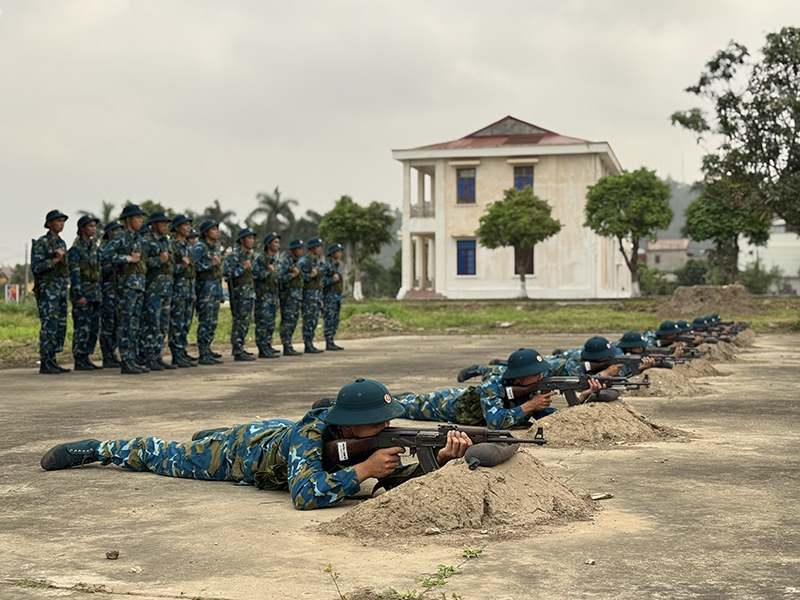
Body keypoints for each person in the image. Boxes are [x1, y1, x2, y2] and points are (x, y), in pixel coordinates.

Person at [39, 378, 473, 510]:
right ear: (350, 422)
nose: (384, 426)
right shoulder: (312, 436)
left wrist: (438, 459)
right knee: (168, 455)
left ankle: (212, 433)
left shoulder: (366, 439)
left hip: (275, 432)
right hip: (243, 453)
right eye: (375, 422)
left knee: (245, 431)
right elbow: (304, 495)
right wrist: (362, 471)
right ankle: (99, 449)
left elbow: (396, 478)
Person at [390, 349, 571, 429]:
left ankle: (408, 397)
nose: (541, 377)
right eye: (535, 374)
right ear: (520, 376)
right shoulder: (492, 385)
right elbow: (494, 422)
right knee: (403, 408)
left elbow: (546, 417)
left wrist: (579, 405)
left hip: (468, 401)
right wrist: (530, 406)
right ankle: (401, 398)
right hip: (446, 405)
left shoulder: (529, 386)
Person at [104, 204, 149, 374]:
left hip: (138, 287)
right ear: (128, 219)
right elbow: (105, 255)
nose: (140, 220)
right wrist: (127, 258)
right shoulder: (120, 237)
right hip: (126, 288)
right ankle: (126, 359)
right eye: (137, 217)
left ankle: (132, 358)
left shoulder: (137, 239)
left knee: (135, 325)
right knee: (125, 324)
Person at [32, 210, 71, 374]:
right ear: (49, 224)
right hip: (49, 290)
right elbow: (36, 266)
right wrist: (54, 260)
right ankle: (46, 361)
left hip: (61, 290)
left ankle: (53, 359)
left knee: (60, 325)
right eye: (58, 221)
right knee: (49, 326)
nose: (61, 224)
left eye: (63, 221)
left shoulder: (62, 243)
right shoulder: (42, 243)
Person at [140, 211, 176, 371]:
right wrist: (158, 260)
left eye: (167, 223)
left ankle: (157, 355)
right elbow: (141, 264)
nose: (166, 226)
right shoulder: (146, 242)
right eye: (163, 223)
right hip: (153, 289)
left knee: (162, 325)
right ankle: (149, 356)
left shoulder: (166, 242)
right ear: (153, 224)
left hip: (166, 289)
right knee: (152, 323)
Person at [68, 214, 103, 371]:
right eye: (90, 226)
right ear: (82, 229)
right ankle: (79, 357)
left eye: (95, 226)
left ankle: (86, 356)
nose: (93, 229)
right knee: (82, 327)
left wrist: (100, 294)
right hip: (83, 295)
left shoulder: (94, 248)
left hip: (95, 294)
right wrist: (78, 295)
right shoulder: (76, 249)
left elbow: (98, 272)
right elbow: (74, 274)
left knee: (93, 327)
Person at [223, 228, 257, 361]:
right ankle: (237, 350)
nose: (252, 241)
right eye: (249, 238)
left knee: (245, 322)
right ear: (242, 240)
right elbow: (227, 273)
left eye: (253, 238)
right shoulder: (234, 255)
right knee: (239, 322)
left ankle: (240, 346)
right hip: (239, 295)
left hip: (248, 294)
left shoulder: (247, 256)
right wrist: (242, 268)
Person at [168, 214, 197, 368]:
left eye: (188, 225)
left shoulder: (189, 247)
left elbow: (192, 271)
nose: (188, 228)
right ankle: (176, 354)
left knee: (186, 324)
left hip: (188, 291)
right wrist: (182, 266)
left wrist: (193, 291)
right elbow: (169, 269)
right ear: (177, 228)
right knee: (176, 324)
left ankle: (182, 351)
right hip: (178, 291)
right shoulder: (172, 246)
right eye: (185, 225)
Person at [193, 220, 224, 365]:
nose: (216, 232)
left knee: (212, 322)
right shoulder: (200, 247)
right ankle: (203, 352)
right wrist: (210, 264)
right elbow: (195, 267)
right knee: (205, 321)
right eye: (213, 229)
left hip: (214, 290)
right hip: (205, 290)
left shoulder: (214, 248)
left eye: (217, 229)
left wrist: (220, 291)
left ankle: (208, 348)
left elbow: (217, 271)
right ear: (206, 232)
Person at [252, 232, 281, 359]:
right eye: (275, 242)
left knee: (270, 324)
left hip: (272, 296)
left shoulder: (274, 260)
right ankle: (262, 348)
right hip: (263, 296)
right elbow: (255, 275)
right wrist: (267, 272)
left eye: (278, 242)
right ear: (268, 244)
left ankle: (268, 345)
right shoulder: (260, 258)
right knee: (262, 323)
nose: (277, 245)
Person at [99, 221, 123, 368]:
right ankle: (107, 355)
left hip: (119, 292)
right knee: (108, 325)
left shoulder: (121, 251)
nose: (119, 233)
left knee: (117, 325)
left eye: (120, 230)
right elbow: (101, 272)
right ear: (109, 233)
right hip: (108, 292)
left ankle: (113, 353)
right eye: (116, 230)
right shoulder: (103, 251)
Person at [277, 238, 306, 356]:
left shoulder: (297, 263)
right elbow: (278, 277)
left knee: (293, 321)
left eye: (302, 249)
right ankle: (286, 345)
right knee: (287, 321)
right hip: (288, 297)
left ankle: (289, 344)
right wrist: (292, 275)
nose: (301, 251)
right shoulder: (285, 262)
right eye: (299, 249)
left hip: (296, 297)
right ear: (293, 250)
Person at [299, 236, 325, 354]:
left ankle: (310, 342)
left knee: (314, 320)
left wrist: (320, 297)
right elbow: (298, 278)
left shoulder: (317, 262)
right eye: (318, 246)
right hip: (307, 295)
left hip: (316, 295)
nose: (320, 249)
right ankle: (307, 344)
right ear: (312, 248)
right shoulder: (304, 262)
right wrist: (310, 276)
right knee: (308, 319)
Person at [319, 242, 344, 351]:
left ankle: (332, 340)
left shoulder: (336, 265)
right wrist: (331, 280)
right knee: (329, 319)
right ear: (332, 253)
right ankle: (329, 342)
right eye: (338, 251)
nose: (340, 253)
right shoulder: (327, 265)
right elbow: (320, 280)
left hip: (336, 296)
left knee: (335, 319)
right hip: (329, 297)